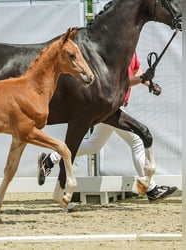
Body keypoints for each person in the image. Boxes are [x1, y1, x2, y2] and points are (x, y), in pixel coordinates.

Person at [37, 51, 177, 202]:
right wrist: (141, 79)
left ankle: (51, 159)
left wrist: (149, 83)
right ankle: (151, 189)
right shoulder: (118, 53)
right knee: (136, 141)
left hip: (117, 106)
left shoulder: (132, 51)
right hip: (111, 107)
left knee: (94, 145)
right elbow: (122, 82)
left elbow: (136, 70)